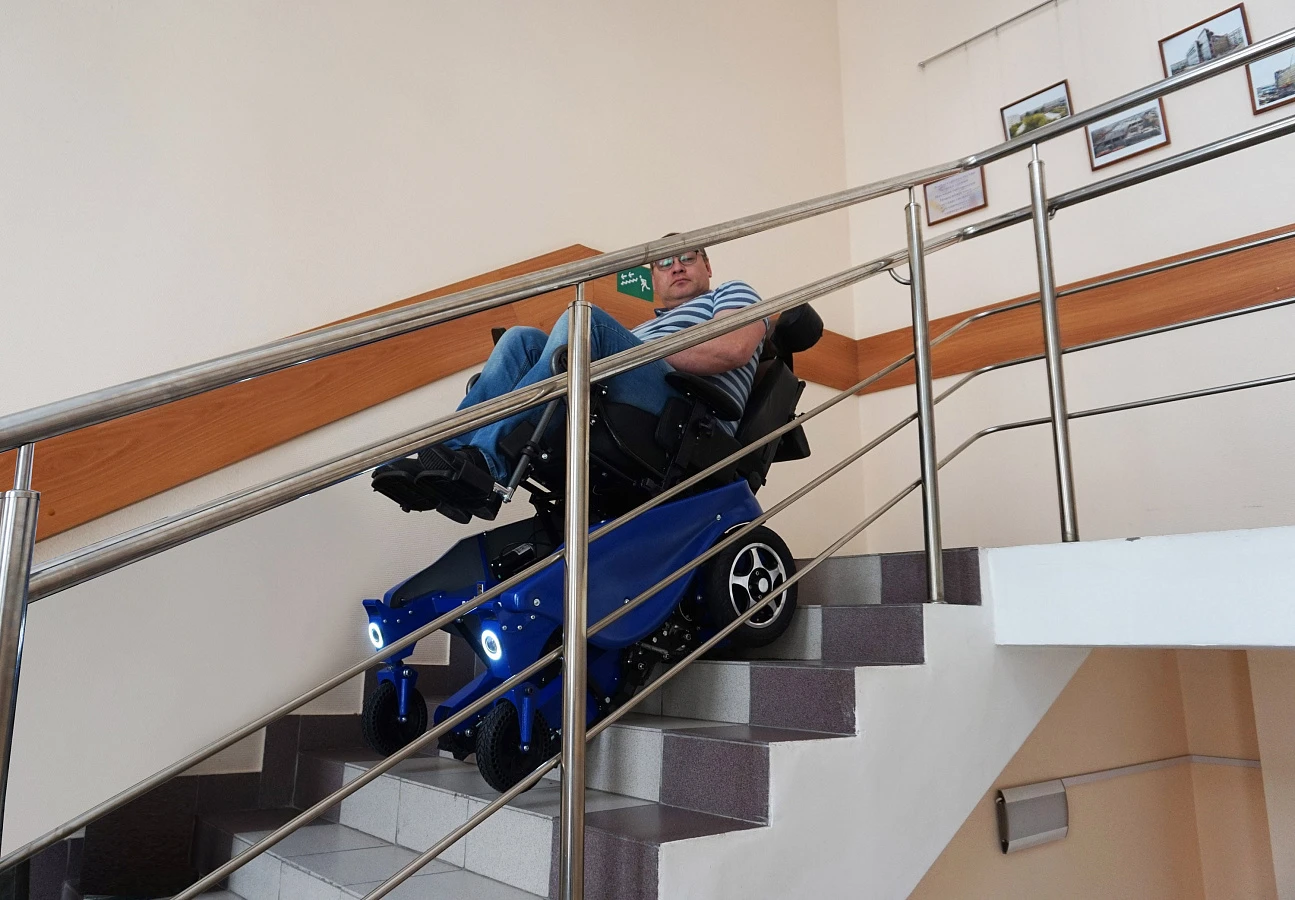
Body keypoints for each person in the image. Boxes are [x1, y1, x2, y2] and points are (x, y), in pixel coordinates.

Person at [373, 243, 769, 522]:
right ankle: (450, 458)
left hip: (690, 413)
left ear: (707, 266)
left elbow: (731, 348)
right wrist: (625, 347)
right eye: (664, 262)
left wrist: (631, 351)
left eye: (688, 257)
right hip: (633, 392)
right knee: (520, 340)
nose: (677, 267)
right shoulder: (643, 327)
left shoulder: (731, 292)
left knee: (584, 320)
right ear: (654, 279)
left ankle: (487, 466)